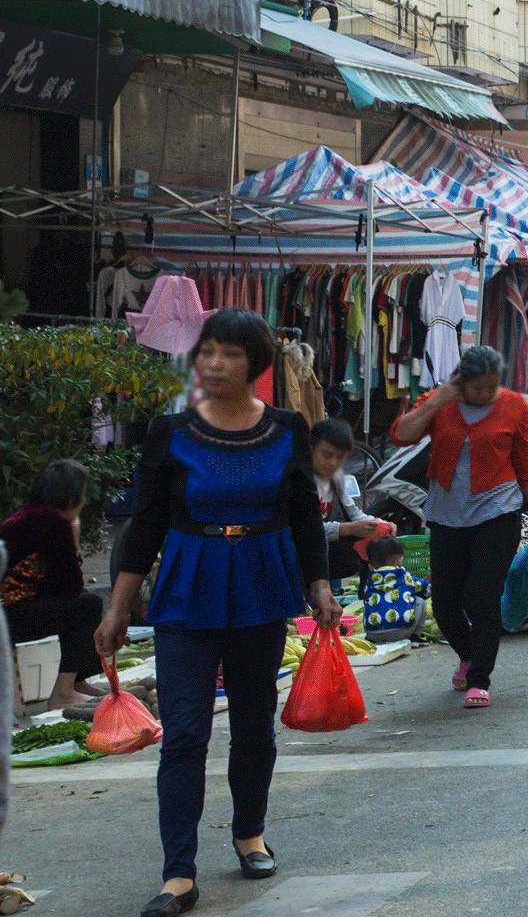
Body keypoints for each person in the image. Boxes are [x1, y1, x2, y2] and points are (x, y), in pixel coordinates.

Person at [96, 309, 337, 914]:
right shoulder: (169, 432)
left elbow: (305, 515)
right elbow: (146, 523)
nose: (214, 363)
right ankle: (178, 874)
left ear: (254, 364)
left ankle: (249, 833)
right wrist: (117, 609)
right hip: (185, 588)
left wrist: (320, 585)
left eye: (230, 353)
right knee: (185, 733)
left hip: (261, 586)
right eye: (207, 352)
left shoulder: (287, 429)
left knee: (254, 726)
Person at [389, 344, 528, 711]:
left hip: (497, 510)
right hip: (447, 514)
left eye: (492, 386)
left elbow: (526, 462)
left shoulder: (514, 407)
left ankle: (480, 679)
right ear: (462, 381)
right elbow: (401, 435)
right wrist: (435, 401)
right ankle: (467, 654)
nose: (486, 394)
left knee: (482, 596)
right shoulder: (440, 402)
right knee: (445, 604)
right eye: (478, 387)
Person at [2, 460, 104, 713]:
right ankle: (64, 691)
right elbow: (70, 584)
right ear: (71, 497)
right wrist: (74, 534)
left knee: (81, 602)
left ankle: (76, 682)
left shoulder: (29, 515)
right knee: (89, 604)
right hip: (10, 613)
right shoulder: (52, 522)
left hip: (12, 610)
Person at [309, 418, 384, 581]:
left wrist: (381, 525)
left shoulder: (335, 478)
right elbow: (305, 529)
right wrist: (347, 529)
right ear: (312, 449)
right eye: (327, 455)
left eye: (340, 457)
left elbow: (354, 513)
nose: (333, 463)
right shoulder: (301, 481)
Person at [356, 536, 428, 642]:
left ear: (370, 566)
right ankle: (416, 636)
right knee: (420, 601)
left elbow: (364, 598)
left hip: (373, 635)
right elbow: (425, 587)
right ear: (400, 560)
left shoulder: (368, 581)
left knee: (368, 604)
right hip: (402, 632)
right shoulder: (405, 576)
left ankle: (372, 634)